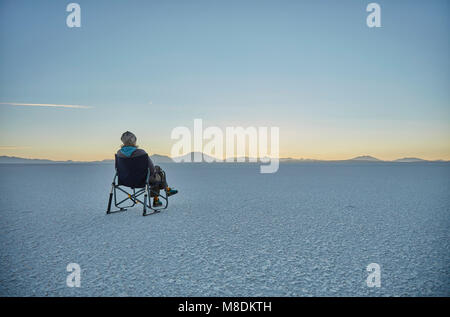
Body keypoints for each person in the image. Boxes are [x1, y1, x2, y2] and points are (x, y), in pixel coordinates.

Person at [116, 131, 178, 207]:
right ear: (133, 141)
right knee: (157, 171)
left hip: (125, 180)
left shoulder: (119, 153)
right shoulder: (141, 152)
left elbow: (118, 169)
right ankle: (161, 195)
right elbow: (152, 170)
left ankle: (164, 193)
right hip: (142, 180)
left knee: (154, 173)